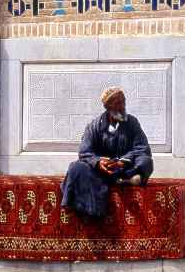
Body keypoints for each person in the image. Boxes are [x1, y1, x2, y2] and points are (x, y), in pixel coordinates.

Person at [60, 86, 154, 219]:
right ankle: (88, 204)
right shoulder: (94, 126)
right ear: (108, 106)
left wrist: (124, 161)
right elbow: (85, 152)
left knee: (146, 161)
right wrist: (99, 162)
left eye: (123, 102)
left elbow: (142, 148)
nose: (122, 106)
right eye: (118, 103)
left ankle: (125, 179)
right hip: (102, 171)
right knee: (76, 167)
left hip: (125, 168)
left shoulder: (132, 122)